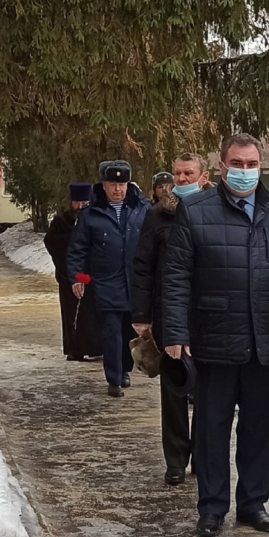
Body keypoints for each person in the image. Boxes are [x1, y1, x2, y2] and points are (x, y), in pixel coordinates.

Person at [163, 133, 269, 537]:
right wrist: (175, 331)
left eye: (251, 164)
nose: (245, 172)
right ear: (222, 167)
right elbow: (176, 276)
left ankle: (253, 505)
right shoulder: (195, 211)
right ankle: (211, 508)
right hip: (213, 338)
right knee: (211, 428)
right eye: (237, 164)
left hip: (264, 339)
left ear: (261, 165)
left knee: (259, 429)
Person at [131, 154, 211, 486]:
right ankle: (176, 459)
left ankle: (205, 458)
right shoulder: (157, 215)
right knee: (174, 389)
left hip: (208, 315)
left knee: (209, 393)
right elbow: (142, 267)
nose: (180, 179)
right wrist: (141, 315)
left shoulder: (216, 212)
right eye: (177, 173)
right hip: (168, 314)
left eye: (187, 173)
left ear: (203, 177)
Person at [67, 160, 150, 398]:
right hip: (106, 282)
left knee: (129, 330)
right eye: (113, 184)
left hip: (134, 281)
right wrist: (78, 277)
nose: (118, 189)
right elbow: (77, 249)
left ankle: (125, 369)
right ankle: (113, 379)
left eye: (122, 184)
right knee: (111, 332)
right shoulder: (90, 214)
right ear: (103, 185)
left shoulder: (141, 208)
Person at [44, 183, 101, 362]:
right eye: (77, 202)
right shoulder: (62, 221)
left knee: (92, 315)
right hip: (69, 276)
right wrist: (75, 239)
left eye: (85, 202)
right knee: (71, 315)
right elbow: (52, 242)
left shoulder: (97, 218)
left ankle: (95, 348)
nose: (81, 206)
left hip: (92, 275)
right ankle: (74, 350)